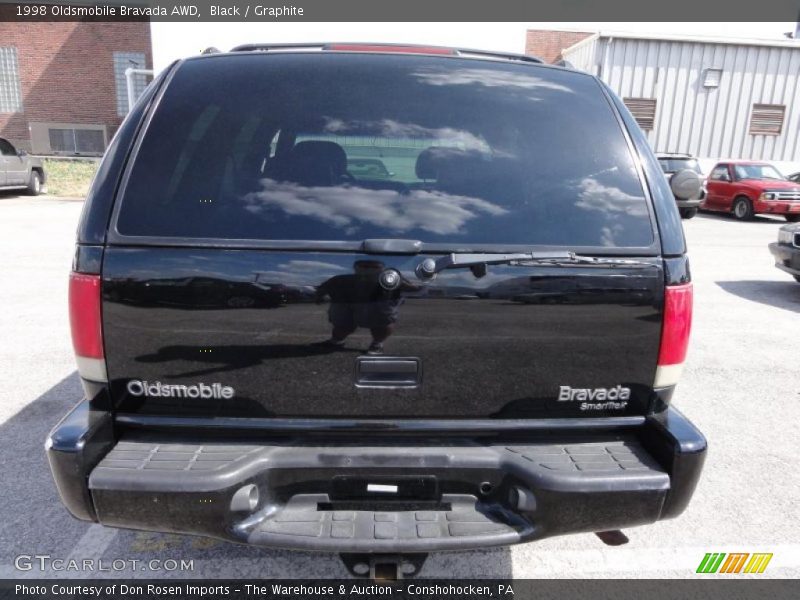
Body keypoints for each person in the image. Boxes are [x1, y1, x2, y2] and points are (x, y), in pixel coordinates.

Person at [315, 260, 419, 354]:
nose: (369, 269)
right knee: (342, 325)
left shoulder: (391, 279)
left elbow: (414, 288)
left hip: (378, 305)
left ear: (382, 268)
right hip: (346, 305)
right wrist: (320, 296)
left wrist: (399, 282)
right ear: (355, 267)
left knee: (381, 323)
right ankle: (336, 341)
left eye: (374, 267)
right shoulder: (341, 279)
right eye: (364, 266)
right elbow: (323, 288)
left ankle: (377, 344)